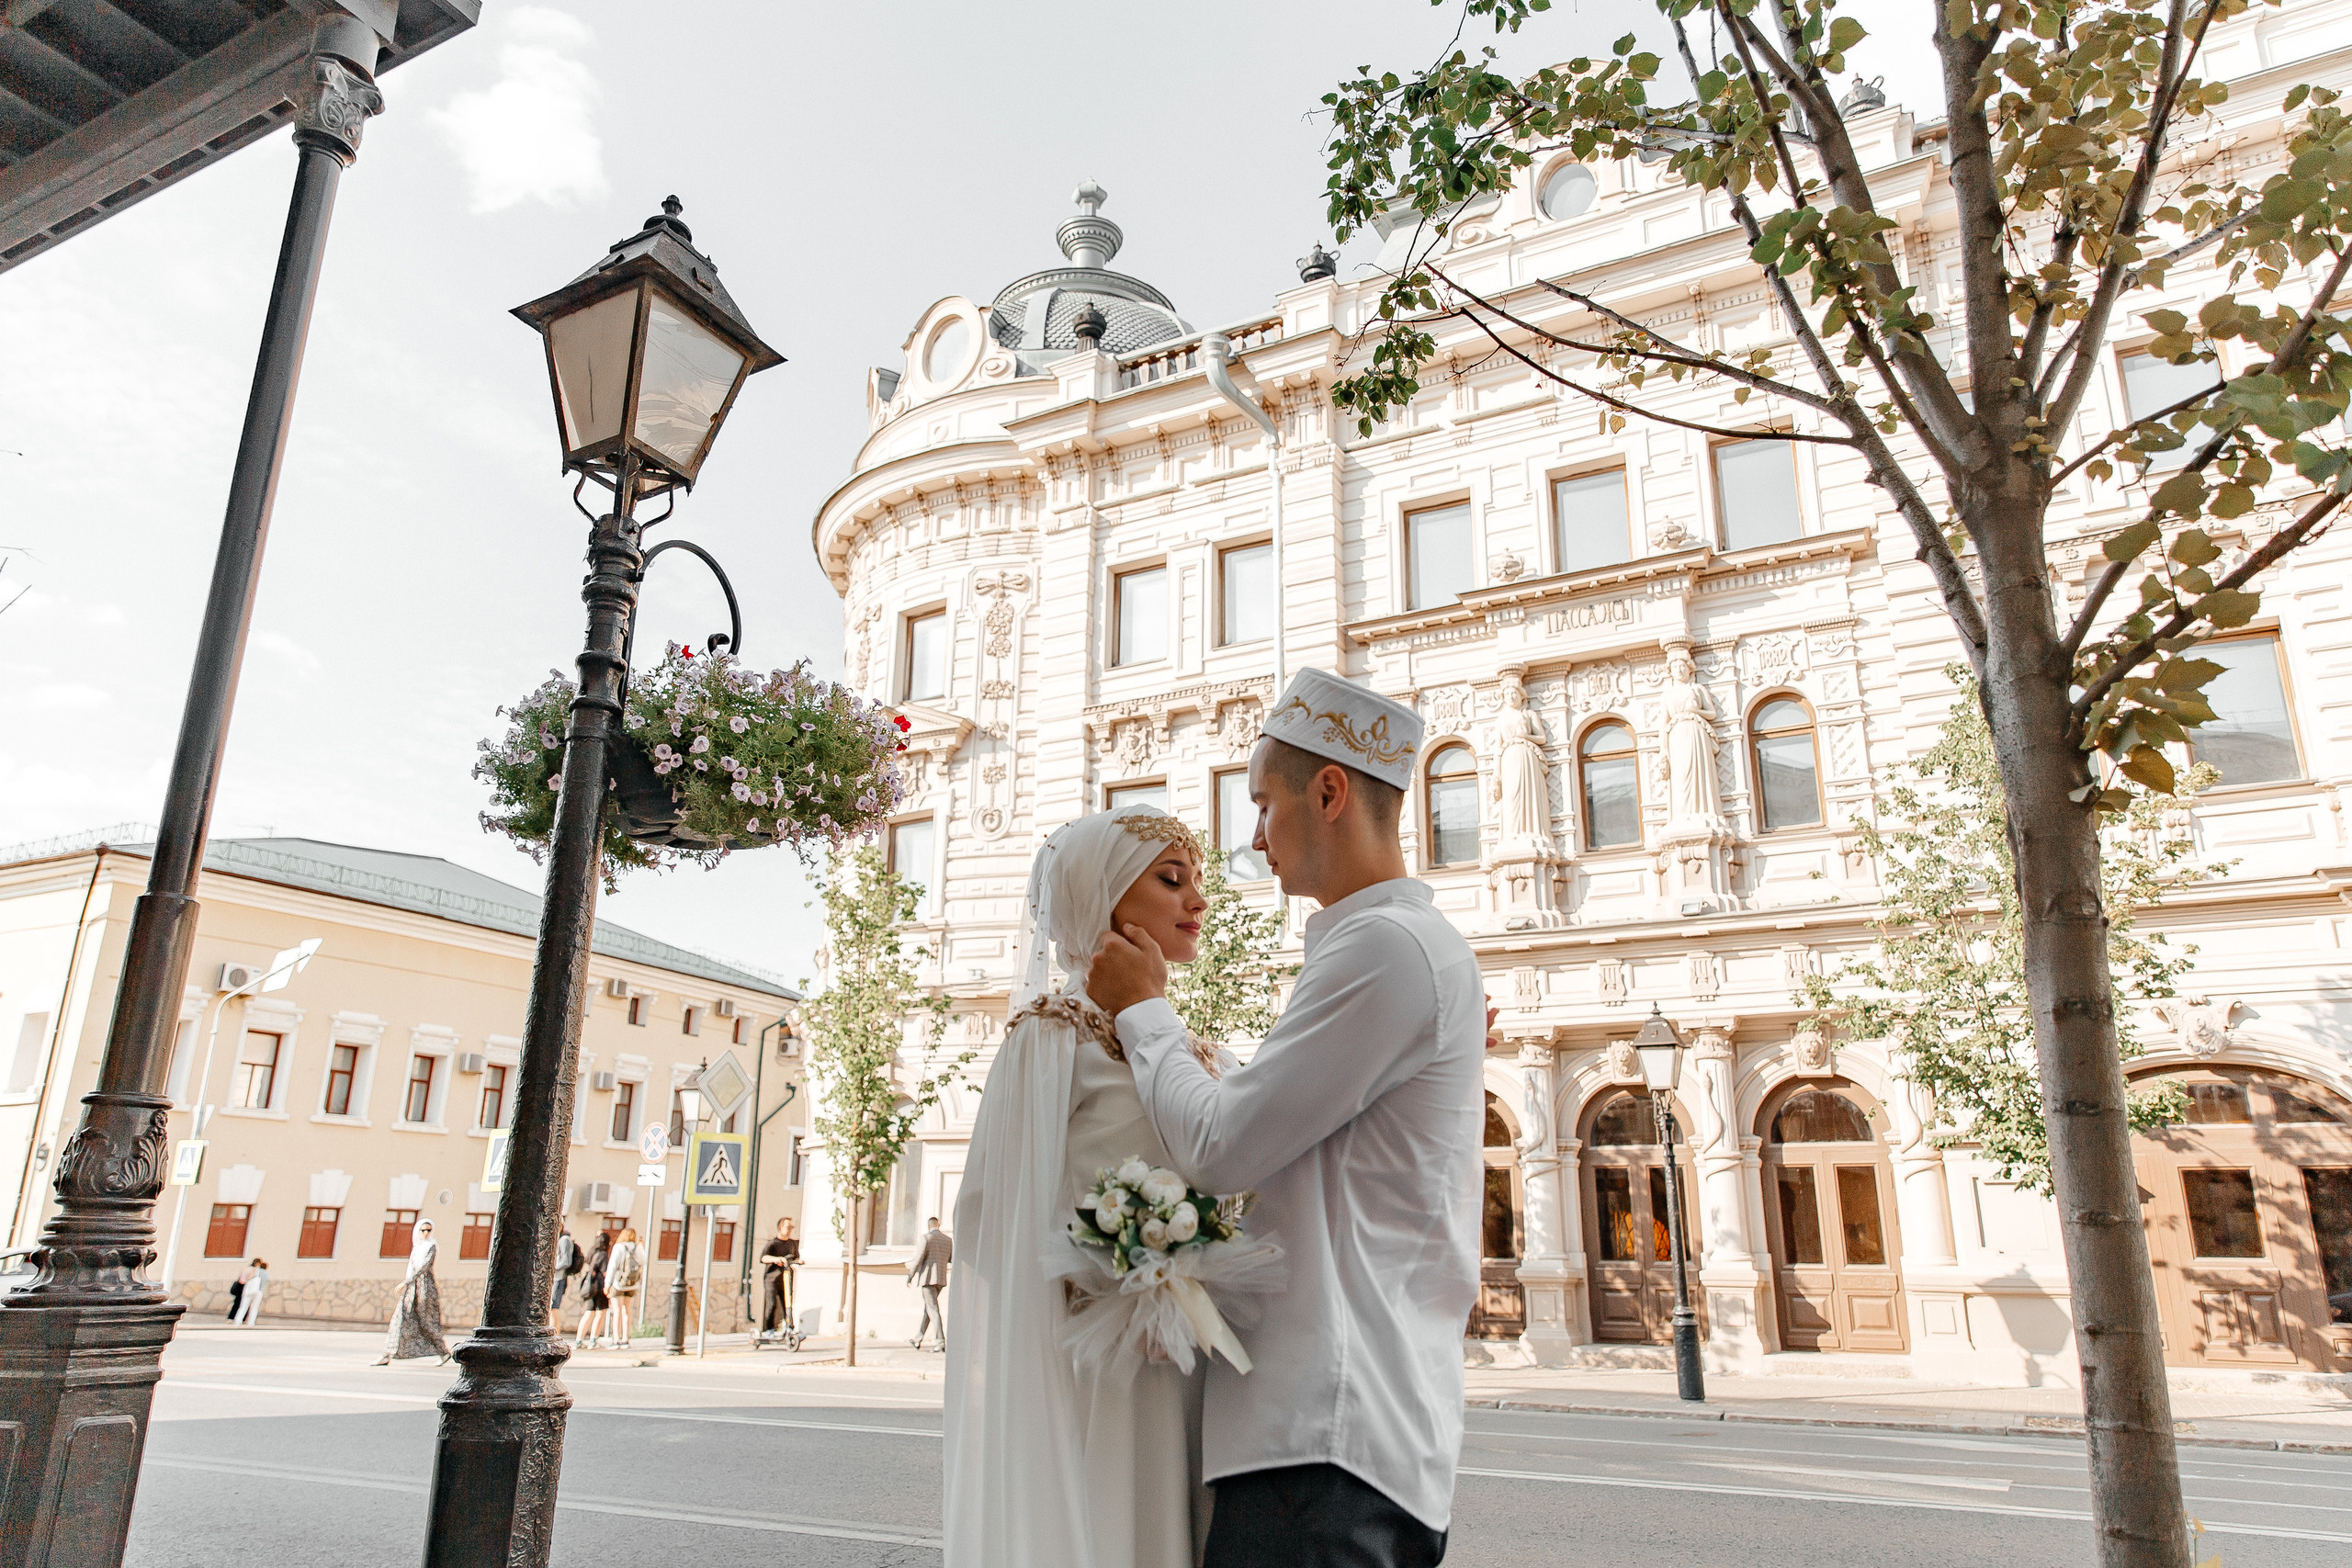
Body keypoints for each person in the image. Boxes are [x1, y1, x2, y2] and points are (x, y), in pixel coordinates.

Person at [1091, 667, 1486, 1568]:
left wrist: (1140, 1009)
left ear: (1331, 792)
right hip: (1340, 1443)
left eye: (1265, 804)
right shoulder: (1390, 948)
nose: (1256, 837)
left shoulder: (1386, 949)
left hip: (1326, 1443)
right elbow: (1275, 1126)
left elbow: (1223, 1146)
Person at [944, 804, 1238, 1568]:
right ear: (1103, 900)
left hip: (1188, 1356)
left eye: (1198, 881)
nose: (1197, 901)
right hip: (1099, 1360)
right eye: (1171, 880)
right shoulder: (1050, 1033)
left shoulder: (1188, 1043)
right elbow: (987, 1212)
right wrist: (1109, 1269)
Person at [375, 1219, 451, 1365]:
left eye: (429, 1230)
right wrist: (408, 1282)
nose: (426, 1233)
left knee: (428, 1322)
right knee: (399, 1319)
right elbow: (412, 1267)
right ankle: (387, 1354)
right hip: (412, 1288)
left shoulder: (432, 1247)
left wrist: (406, 1282)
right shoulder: (417, 1247)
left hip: (425, 1288)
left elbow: (424, 1268)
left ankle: (444, 1352)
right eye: (423, 1230)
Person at [907, 1217, 950, 1351]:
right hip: (941, 1279)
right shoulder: (948, 1240)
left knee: (933, 1309)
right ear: (939, 1224)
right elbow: (951, 1258)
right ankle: (918, 1339)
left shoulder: (926, 1238)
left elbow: (918, 1259)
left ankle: (940, 1342)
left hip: (928, 1279)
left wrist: (910, 1275)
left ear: (928, 1225)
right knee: (929, 1309)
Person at [603, 1226, 646, 1348]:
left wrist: (607, 1284)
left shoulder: (619, 1247)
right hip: (632, 1285)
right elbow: (643, 1261)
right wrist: (640, 1246)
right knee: (627, 1311)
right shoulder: (637, 1247)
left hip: (618, 1283)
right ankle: (626, 1339)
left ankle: (616, 1339)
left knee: (616, 1311)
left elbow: (612, 1266)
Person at [758, 1219, 798, 1342]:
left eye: (792, 1227)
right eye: (788, 1226)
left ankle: (789, 1327)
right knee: (772, 1304)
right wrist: (776, 1259)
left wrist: (798, 1261)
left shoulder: (792, 1244)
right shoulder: (773, 1243)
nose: (790, 1229)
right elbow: (763, 1258)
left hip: (786, 1279)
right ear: (780, 1227)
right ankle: (768, 1329)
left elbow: (796, 1257)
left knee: (788, 1304)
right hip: (772, 1279)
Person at [573, 1228, 613, 1350]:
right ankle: (593, 1340)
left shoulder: (593, 1252)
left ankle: (579, 1340)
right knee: (600, 1313)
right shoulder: (603, 1255)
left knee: (588, 1313)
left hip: (590, 1286)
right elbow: (605, 1272)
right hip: (600, 1287)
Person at [551, 1226, 582, 1328]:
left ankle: (553, 1333)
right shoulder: (559, 1238)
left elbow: (566, 1261)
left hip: (559, 1278)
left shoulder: (564, 1240)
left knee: (553, 1308)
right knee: (551, 1309)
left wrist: (552, 1267)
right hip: (556, 1278)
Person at [232, 1258, 268, 1325]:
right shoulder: (266, 1274)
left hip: (250, 1290)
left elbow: (249, 1278)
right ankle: (251, 1322)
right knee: (255, 1307)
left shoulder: (256, 1270)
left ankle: (238, 1321)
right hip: (259, 1292)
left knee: (244, 1306)